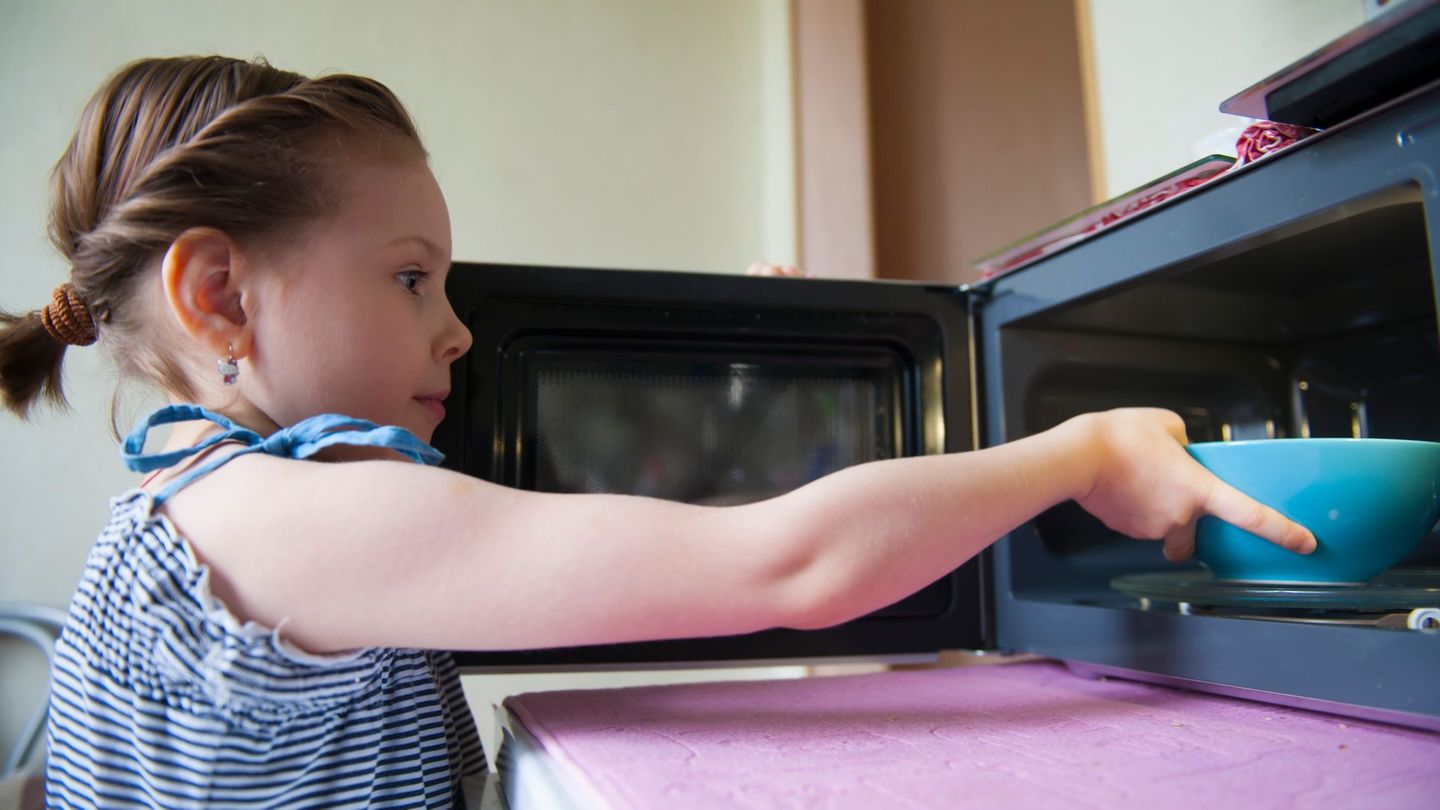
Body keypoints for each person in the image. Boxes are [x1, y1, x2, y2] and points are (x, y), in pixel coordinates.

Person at [0, 56, 1316, 809]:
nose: (456, 330)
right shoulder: (285, 522)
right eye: (412, 278)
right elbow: (781, 568)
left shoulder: (205, 501)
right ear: (219, 293)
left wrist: (760, 391)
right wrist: (1084, 453)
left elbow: (582, 535)